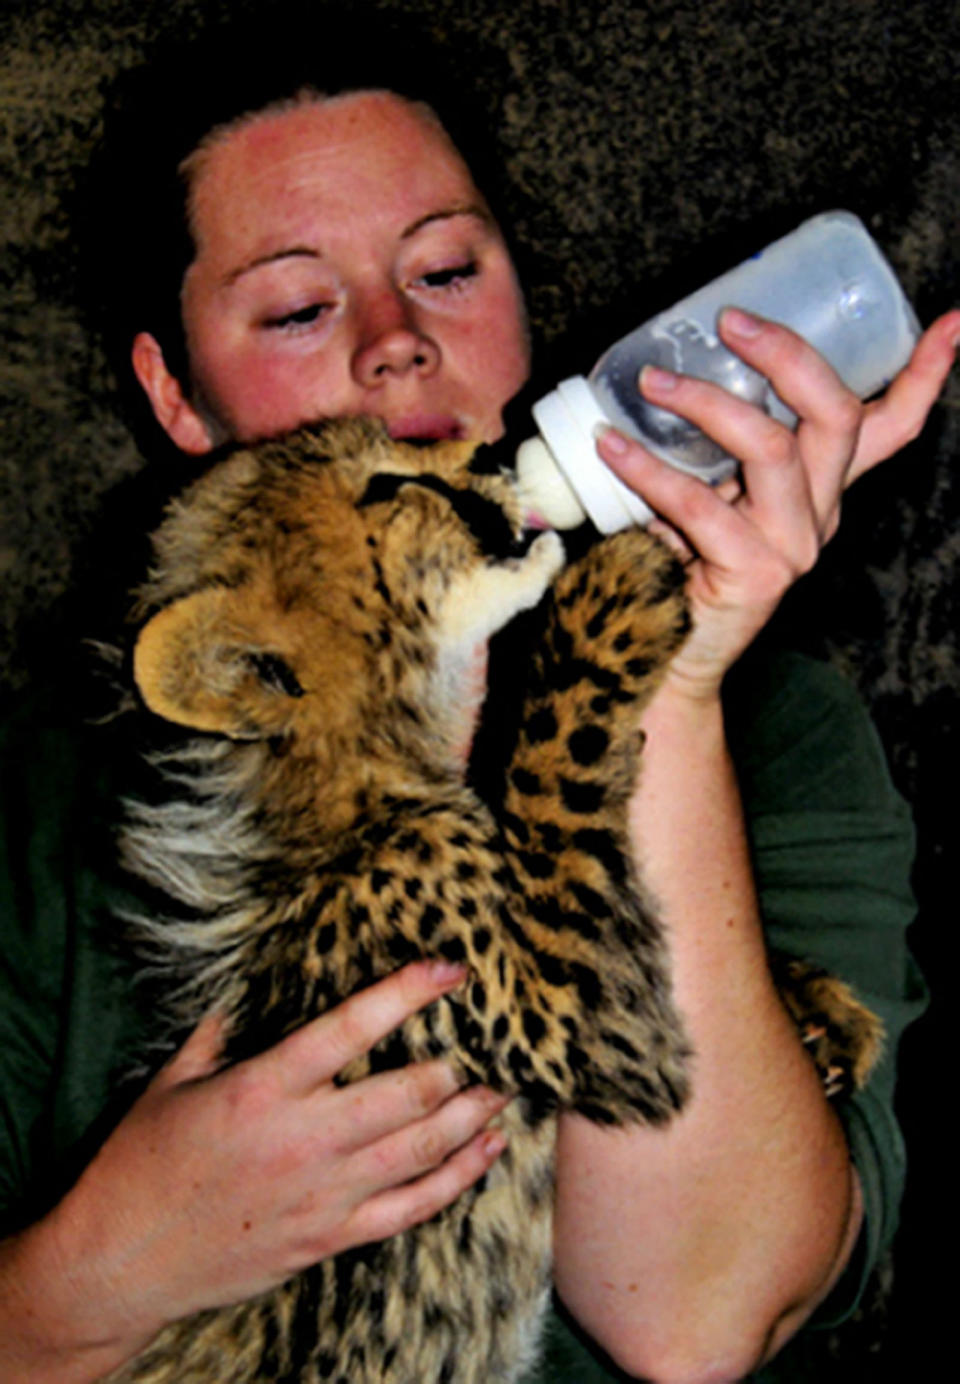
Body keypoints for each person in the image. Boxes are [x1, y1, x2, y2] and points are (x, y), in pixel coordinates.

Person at [0, 13, 957, 1382]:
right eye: (297, 306)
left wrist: (663, 699)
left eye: (447, 270)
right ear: (177, 395)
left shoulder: (777, 731)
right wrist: (108, 1265)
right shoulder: (45, 795)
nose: (396, 343)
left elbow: (696, 1320)